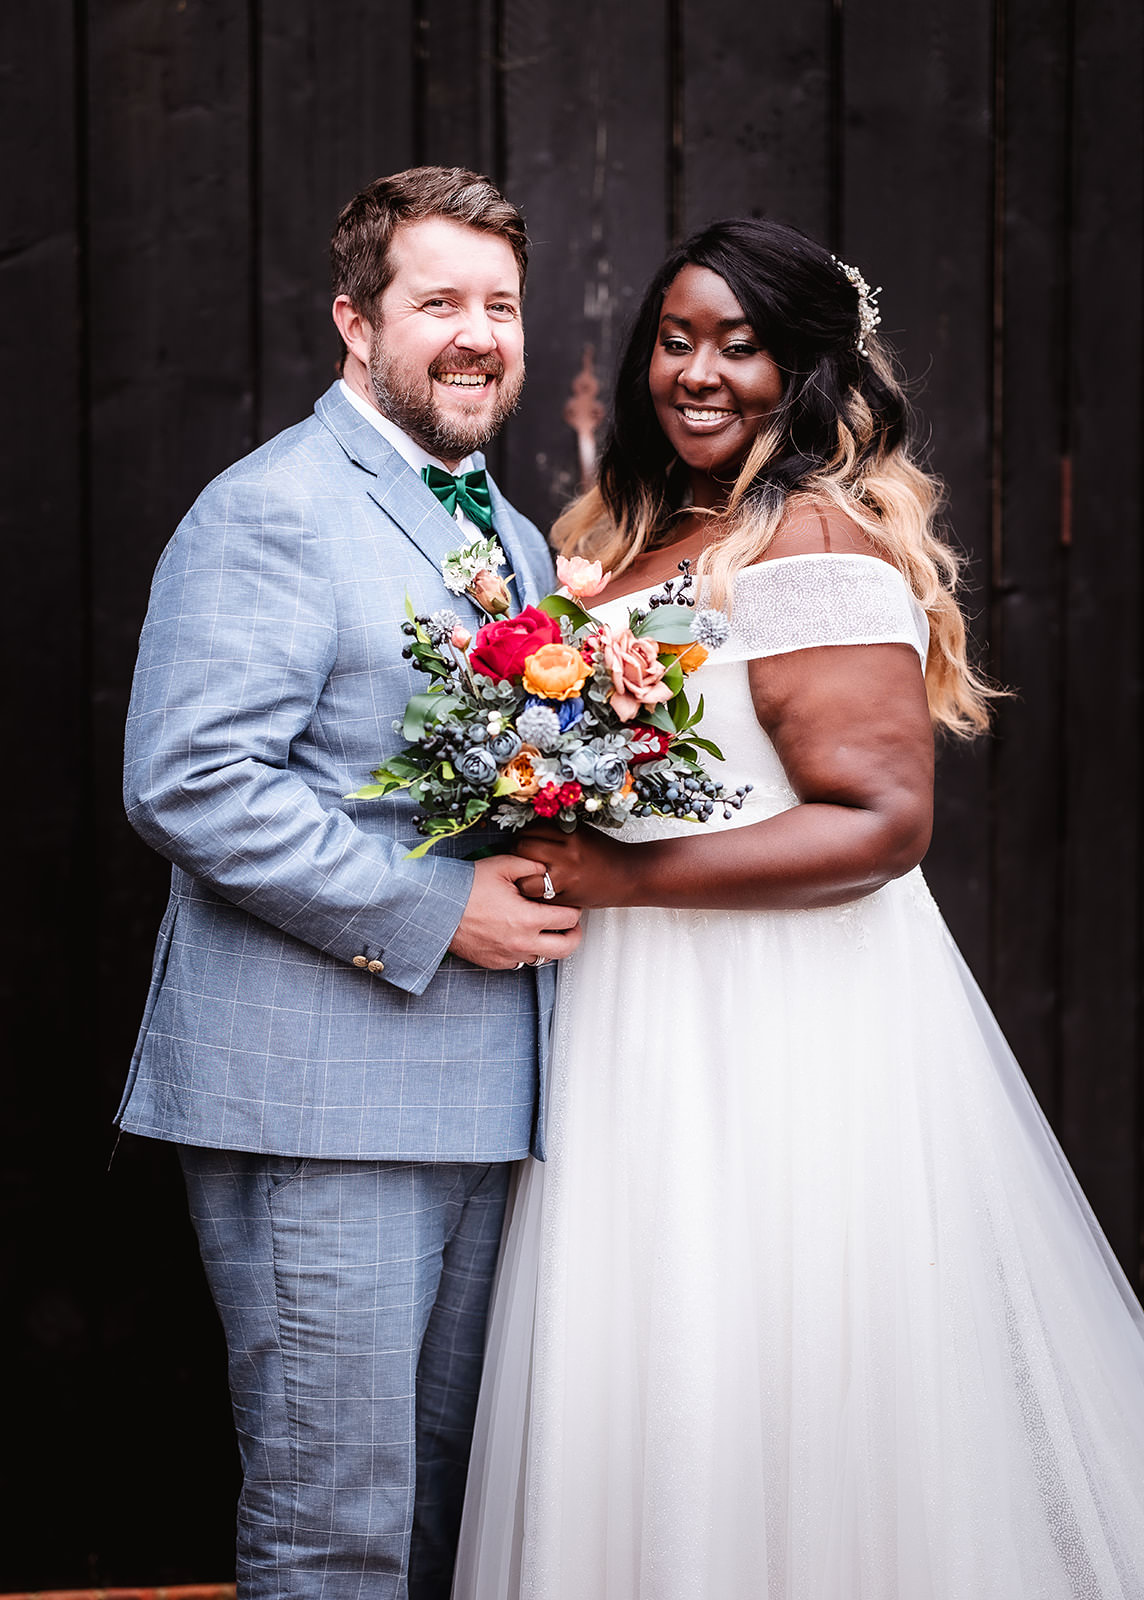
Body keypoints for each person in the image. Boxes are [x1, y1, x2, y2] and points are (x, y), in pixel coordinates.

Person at [451, 219, 1144, 1599]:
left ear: (810, 370)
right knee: (653, 1355)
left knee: (772, 1350)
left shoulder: (814, 541)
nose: (697, 373)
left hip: (777, 1022)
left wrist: (619, 874)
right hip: (634, 1011)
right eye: (676, 338)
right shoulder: (634, 537)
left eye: (742, 344)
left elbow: (881, 822)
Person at [118, 166, 581, 1599]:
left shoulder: (513, 539)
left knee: (448, 1517)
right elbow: (191, 781)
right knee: (339, 1523)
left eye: (499, 304)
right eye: (437, 300)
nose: (476, 334)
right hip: (323, 1102)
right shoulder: (275, 508)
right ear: (354, 322)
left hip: (489, 1097)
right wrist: (444, 911)